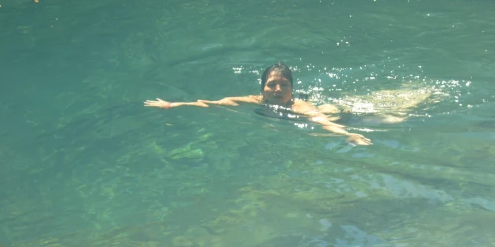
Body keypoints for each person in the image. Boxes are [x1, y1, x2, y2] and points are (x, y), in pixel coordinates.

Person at [144, 62, 373, 146]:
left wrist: (347, 135)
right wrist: (173, 105)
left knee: (393, 116)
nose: (278, 90)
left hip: (343, 115)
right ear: (262, 88)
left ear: (292, 90)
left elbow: (322, 121)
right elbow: (212, 104)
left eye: (284, 85)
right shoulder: (251, 101)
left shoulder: (299, 107)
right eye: (272, 84)